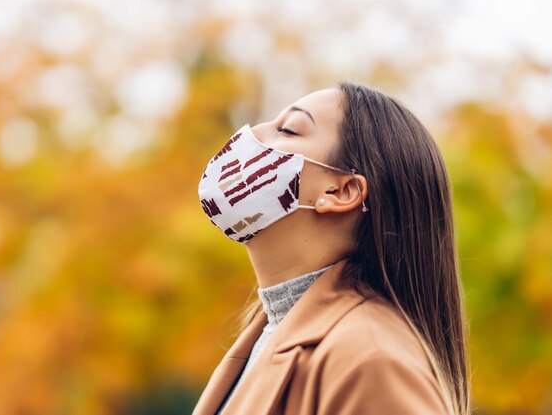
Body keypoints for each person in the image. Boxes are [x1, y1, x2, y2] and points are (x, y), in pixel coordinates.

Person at [193, 82, 471, 415]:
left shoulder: (372, 360)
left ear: (341, 192)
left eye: (288, 129)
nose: (251, 133)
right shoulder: (270, 332)